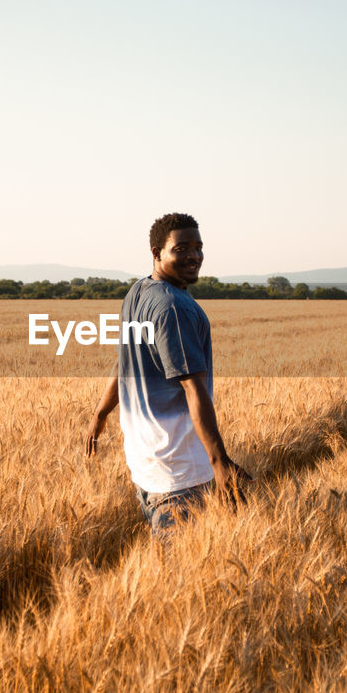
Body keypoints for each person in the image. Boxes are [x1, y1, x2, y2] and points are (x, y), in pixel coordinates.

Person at [83, 212, 250, 538]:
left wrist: (100, 413)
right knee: (183, 578)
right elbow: (193, 388)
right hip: (180, 474)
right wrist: (219, 462)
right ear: (157, 252)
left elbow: (125, 362)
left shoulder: (137, 294)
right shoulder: (174, 308)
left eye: (198, 247)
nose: (194, 256)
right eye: (181, 248)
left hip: (146, 469)